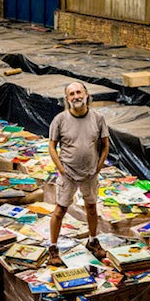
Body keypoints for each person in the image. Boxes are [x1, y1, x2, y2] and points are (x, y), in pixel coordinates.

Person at [47, 81, 109, 266]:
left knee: (91, 207)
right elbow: (52, 146)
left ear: (86, 93)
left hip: (90, 174)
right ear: (67, 99)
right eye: (71, 94)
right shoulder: (59, 120)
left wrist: (98, 166)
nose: (76, 96)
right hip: (68, 175)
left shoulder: (98, 118)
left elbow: (105, 145)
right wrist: (61, 168)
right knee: (60, 211)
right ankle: (53, 247)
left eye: (78, 92)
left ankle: (92, 241)